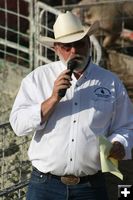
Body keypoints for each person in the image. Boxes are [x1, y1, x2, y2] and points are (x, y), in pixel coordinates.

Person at [9, 11, 133, 200]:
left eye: (79, 44)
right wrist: (52, 99)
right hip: (45, 186)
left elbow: (126, 127)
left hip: (90, 187)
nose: (74, 51)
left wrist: (119, 143)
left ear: (89, 44)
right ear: (56, 49)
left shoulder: (111, 82)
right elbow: (18, 125)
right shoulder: (37, 79)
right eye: (67, 47)